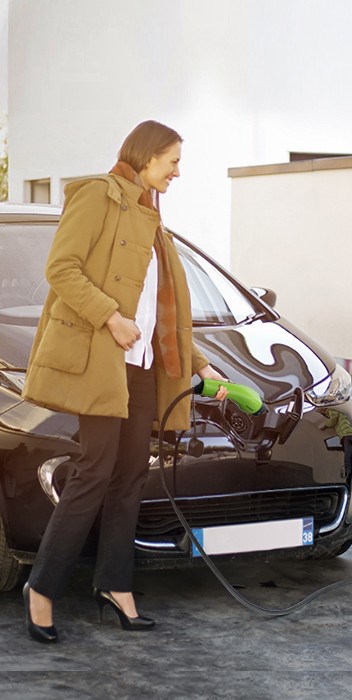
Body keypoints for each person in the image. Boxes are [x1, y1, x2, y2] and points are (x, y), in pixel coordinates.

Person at [20, 120, 227, 643]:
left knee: (132, 474)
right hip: (102, 363)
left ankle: (115, 585)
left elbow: (165, 315)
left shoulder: (153, 219)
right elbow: (62, 268)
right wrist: (110, 317)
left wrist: (201, 365)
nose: (177, 172)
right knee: (94, 471)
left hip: (144, 368)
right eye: (173, 161)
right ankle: (41, 588)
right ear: (148, 155)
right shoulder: (99, 196)